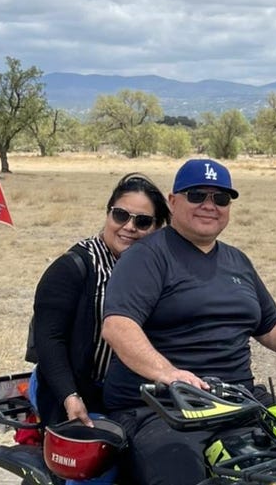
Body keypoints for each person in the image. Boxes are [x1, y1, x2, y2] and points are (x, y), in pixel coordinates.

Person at [101, 158, 276, 485]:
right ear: (174, 200)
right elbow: (118, 326)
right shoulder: (148, 256)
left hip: (238, 401)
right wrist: (169, 374)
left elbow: (270, 326)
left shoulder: (237, 260)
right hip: (161, 409)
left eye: (220, 199)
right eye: (198, 195)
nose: (210, 205)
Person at [32, 173, 170, 429]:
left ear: (156, 228)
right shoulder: (73, 268)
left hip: (133, 396)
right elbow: (49, 339)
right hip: (76, 392)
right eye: (120, 215)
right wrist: (69, 397)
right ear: (108, 214)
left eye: (142, 221)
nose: (129, 227)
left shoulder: (156, 271)